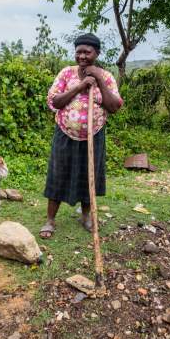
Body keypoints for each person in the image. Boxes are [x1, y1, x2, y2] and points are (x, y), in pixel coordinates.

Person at [40, 33, 123, 239]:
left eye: (87, 52)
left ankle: (86, 217)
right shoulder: (66, 74)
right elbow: (55, 102)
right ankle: (50, 219)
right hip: (65, 133)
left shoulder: (107, 77)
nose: (82, 56)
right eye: (79, 52)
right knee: (58, 174)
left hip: (94, 136)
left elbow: (113, 107)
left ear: (97, 53)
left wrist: (98, 79)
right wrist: (80, 86)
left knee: (90, 176)